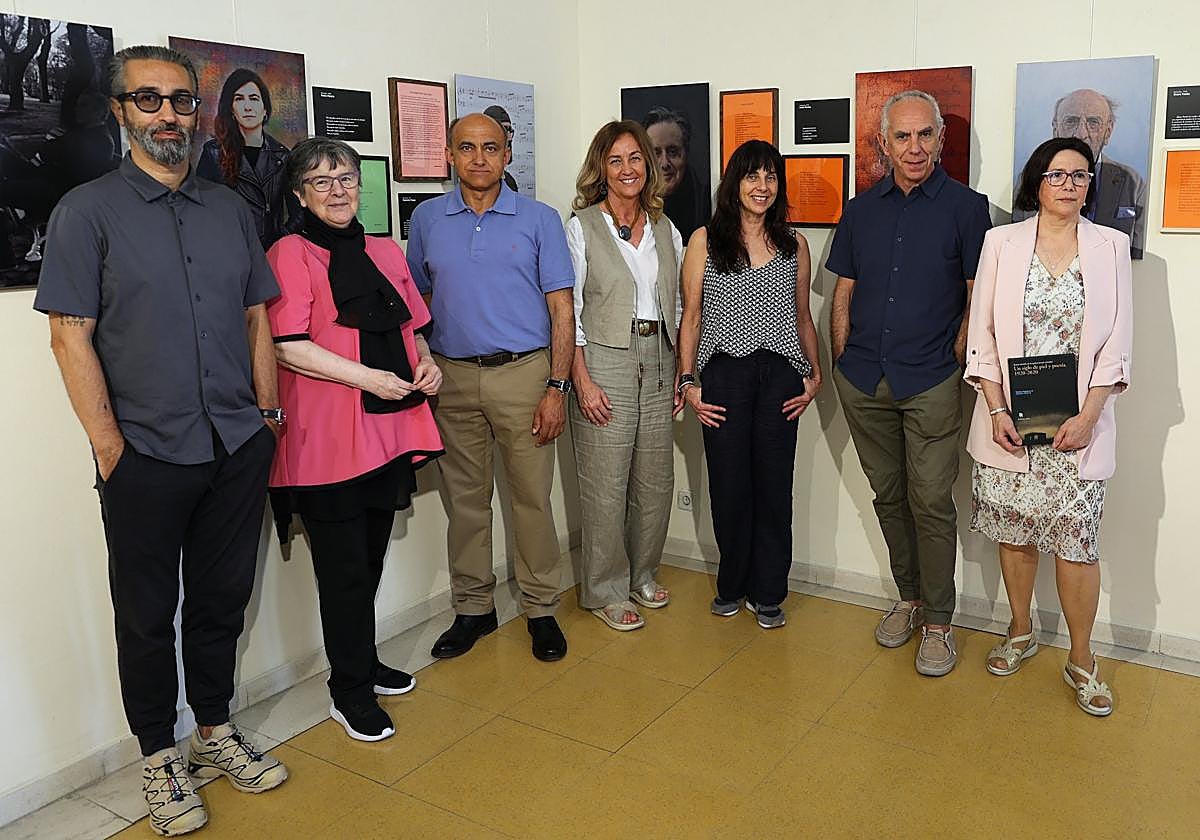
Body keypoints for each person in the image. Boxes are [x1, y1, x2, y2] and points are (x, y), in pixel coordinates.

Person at [33, 45, 287, 837]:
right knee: (146, 617)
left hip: (235, 445)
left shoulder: (230, 213)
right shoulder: (86, 212)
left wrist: (267, 421)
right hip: (144, 455)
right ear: (121, 113)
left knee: (220, 602)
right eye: (150, 101)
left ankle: (214, 731)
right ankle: (159, 756)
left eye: (180, 101)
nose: (169, 115)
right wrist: (112, 451)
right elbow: (70, 338)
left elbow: (257, 318)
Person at [265, 137, 445, 741]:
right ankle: (348, 691)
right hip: (325, 442)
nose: (338, 190)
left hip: (385, 430)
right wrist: (369, 377)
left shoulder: (385, 249)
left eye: (345, 177)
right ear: (299, 194)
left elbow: (411, 326)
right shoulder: (290, 253)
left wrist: (426, 365)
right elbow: (287, 345)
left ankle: (362, 663)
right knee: (341, 571)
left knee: (368, 558)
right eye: (321, 181)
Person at [965, 137, 1132, 716]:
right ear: (1036, 180)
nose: (1068, 184)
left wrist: (1090, 416)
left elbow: (1118, 342)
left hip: (1079, 429)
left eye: (1080, 176)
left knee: (1077, 545)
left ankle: (1082, 659)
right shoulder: (1000, 243)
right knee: (1016, 534)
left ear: (1092, 184)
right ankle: (1019, 630)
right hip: (1010, 422)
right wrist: (995, 409)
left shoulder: (1110, 247)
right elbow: (981, 331)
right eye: (1057, 174)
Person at [826, 90, 991, 676]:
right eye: (903, 137)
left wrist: (955, 357)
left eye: (925, 136)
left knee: (931, 502)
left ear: (941, 140)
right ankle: (910, 598)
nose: (915, 148)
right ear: (884, 144)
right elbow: (842, 289)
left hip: (931, 381)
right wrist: (842, 354)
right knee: (889, 496)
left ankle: (940, 624)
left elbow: (978, 295)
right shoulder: (860, 210)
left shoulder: (969, 209)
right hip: (864, 379)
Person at [406, 113, 575, 663]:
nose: (479, 158)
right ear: (449, 156)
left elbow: (561, 308)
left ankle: (542, 607)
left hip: (524, 375)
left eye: (491, 148)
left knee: (530, 498)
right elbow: (419, 302)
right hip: (452, 379)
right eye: (467, 148)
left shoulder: (540, 219)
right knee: (466, 503)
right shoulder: (428, 219)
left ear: (507, 155)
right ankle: (474, 607)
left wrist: (557, 386)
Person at [677, 139, 821, 629]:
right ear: (734, 183)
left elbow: (803, 316)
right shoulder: (705, 240)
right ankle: (731, 584)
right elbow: (691, 317)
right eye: (752, 176)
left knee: (774, 488)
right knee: (729, 484)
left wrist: (814, 373)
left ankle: (769, 592)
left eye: (771, 177)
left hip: (781, 376)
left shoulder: (792, 244)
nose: (762, 187)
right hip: (724, 375)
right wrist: (688, 383)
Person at [566, 120, 682, 631]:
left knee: (655, 481)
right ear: (601, 169)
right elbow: (566, 311)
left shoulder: (665, 228)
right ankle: (605, 589)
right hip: (604, 359)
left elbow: (680, 306)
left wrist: (683, 371)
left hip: (659, 357)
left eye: (636, 158)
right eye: (616, 160)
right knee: (605, 485)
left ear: (648, 166)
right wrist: (581, 380)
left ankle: (643, 574)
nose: (628, 169)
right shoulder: (581, 226)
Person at [196, 68, 297, 248]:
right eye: (239, 99)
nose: (248, 106)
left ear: (265, 108)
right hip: (230, 254)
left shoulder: (282, 156)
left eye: (254, 99)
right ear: (231, 109)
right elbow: (199, 211)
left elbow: (298, 213)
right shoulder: (213, 153)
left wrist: (281, 240)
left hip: (272, 256)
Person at [1051, 89, 1145, 259]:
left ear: (1108, 132)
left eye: (1093, 123)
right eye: (1071, 121)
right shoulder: (1032, 179)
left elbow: (1134, 249)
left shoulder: (1133, 182)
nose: (1081, 134)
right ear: (1055, 128)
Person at [642, 106, 709, 241]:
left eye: (672, 152)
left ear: (686, 153)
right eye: (656, 153)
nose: (664, 163)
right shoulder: (632, 204)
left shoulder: (706, 202)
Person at [482, 104, 520, 192]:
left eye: (508, 129)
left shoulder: (510, 181)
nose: (507, 135)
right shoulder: (478, 177)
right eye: (502, 129)